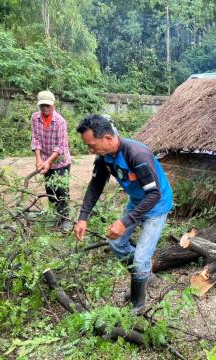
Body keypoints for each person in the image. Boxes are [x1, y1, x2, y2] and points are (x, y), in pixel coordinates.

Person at [74, 115, 173, 314]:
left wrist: (124, 221)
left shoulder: (137, 154)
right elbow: (95, 186)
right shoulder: (104, 158)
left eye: (92, 146)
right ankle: (143, 277)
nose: (90, 150)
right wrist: (83, 217)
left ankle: (138, 306)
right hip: (137, 201)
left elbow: (154, 194)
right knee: (116, 243)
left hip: (157, 205)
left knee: (140, 258)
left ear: (108, 138)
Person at [31, 90, 72, 232]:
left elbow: (61, 146)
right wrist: (38, 159)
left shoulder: (60, 121)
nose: (44, 108)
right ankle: (56, 218)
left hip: (61, 161)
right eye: (42, 105)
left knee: (61, 189)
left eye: (47, 105)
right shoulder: (35, 118)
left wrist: (48, 161)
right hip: (44, 161)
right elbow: (35, 139)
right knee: (50, 189)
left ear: (53, 105)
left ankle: (66, 220)